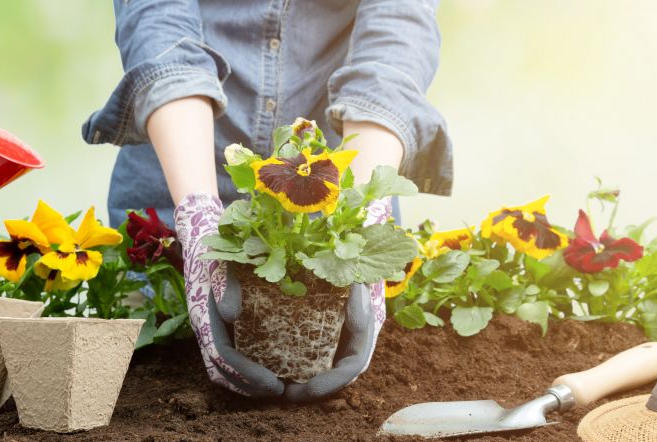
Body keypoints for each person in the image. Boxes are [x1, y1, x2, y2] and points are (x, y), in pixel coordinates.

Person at [83, 0, 453, 401]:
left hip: (326, 199)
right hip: (174, 187)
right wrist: (198, 219)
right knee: (147, 387)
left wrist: (361, 217)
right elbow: (158, 20)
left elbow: (397, 25)